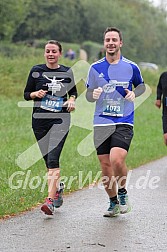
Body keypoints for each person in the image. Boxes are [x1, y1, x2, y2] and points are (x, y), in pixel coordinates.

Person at [86, 27, 145, 217]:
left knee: (116, 159)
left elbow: (142, 87)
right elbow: (88, 94)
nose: (110, 43)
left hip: (124, 120)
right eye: (107, 40)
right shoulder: (95, 68)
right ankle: (112, 203)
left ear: (121, 43)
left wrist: (134, 93)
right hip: (101, 121)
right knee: (105, 165)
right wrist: (92, 94)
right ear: (104, 43)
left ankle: (122, 192)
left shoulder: (131, 66)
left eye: (114, 40)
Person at [24, 40, 77, 215]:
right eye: (48, 51)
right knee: (48, 162)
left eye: (54, 51)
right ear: (44, 53)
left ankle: (49, 200)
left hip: (60, 120)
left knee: (53, 159)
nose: (51, 54)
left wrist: (71, 100)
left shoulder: (66, 72)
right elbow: (26, 94)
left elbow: (74, 92)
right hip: (39, 121)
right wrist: (35, 94)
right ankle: (58, 188)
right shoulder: (36, 71)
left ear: (60, 53)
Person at [155, 72, 167, 145]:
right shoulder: (164, 76)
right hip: (166, 111)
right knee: (166, 137)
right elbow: (159, 87)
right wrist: (158, 98)